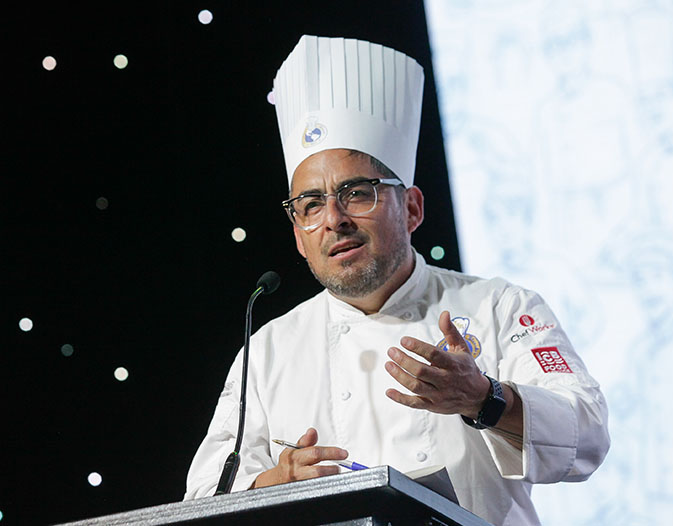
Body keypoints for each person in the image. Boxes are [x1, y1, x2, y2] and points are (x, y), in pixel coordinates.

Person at [184, 35, 610, 526]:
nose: (334, 219)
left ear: (411, 208)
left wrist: (484, 398)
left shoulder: (499, 306)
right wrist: (272, 485)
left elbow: (588, 434)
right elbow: (202, 498)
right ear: (299, 237)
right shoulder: (269, 350)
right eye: (311, 205)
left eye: (356, 192)